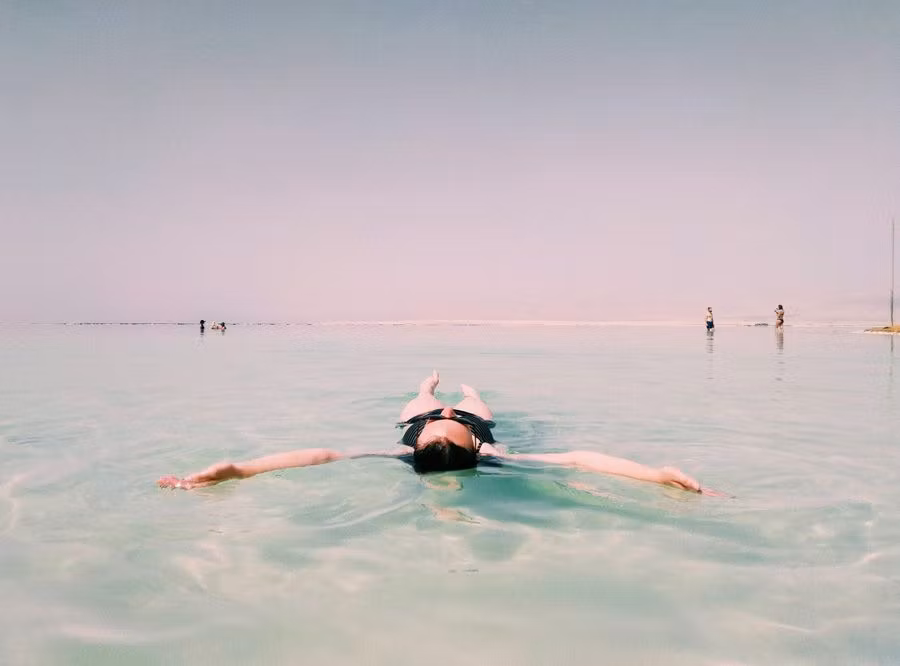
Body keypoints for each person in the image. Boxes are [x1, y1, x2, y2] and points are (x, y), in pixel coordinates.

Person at [158, 372, 713, 495]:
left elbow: (321, 455)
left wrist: (241, 470)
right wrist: (656, 476)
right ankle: (455, 388)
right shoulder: (487, 448)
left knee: (420, 399)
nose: (444, 417)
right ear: (475, 448)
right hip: (471, 423)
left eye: (440, 423)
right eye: (444, 422)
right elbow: (578, 459)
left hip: (419, 423)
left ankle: (429, 386)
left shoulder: (409, 448)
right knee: (472, 400)